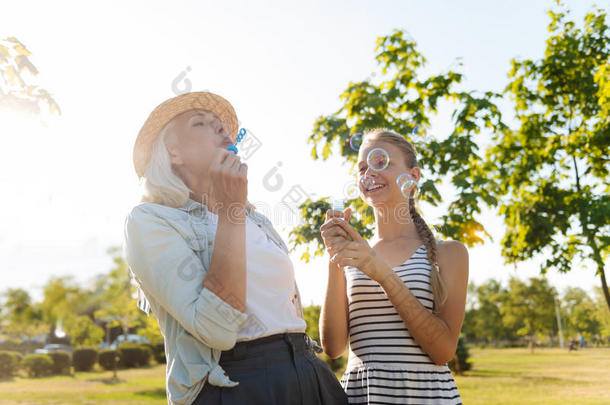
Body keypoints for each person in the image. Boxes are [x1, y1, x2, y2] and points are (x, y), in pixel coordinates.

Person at [123, 91, 348, 405]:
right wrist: (230, 210)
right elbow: (217, 331)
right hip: (232, 385)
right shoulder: (150, 221)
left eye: (223, 127)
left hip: (305, 371)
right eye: (201, 123)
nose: (222, 131)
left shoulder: (257, 220)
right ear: (173, 153)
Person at [319, 128, 468, 404]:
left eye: (380, 163)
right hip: (361, 396)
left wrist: (382, 274)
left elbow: (443, 351)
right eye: (362, 168)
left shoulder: (450, 252)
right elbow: (333, 347)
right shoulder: (354, 253)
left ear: (412, 177)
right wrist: (335, 256)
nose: (368, 174)